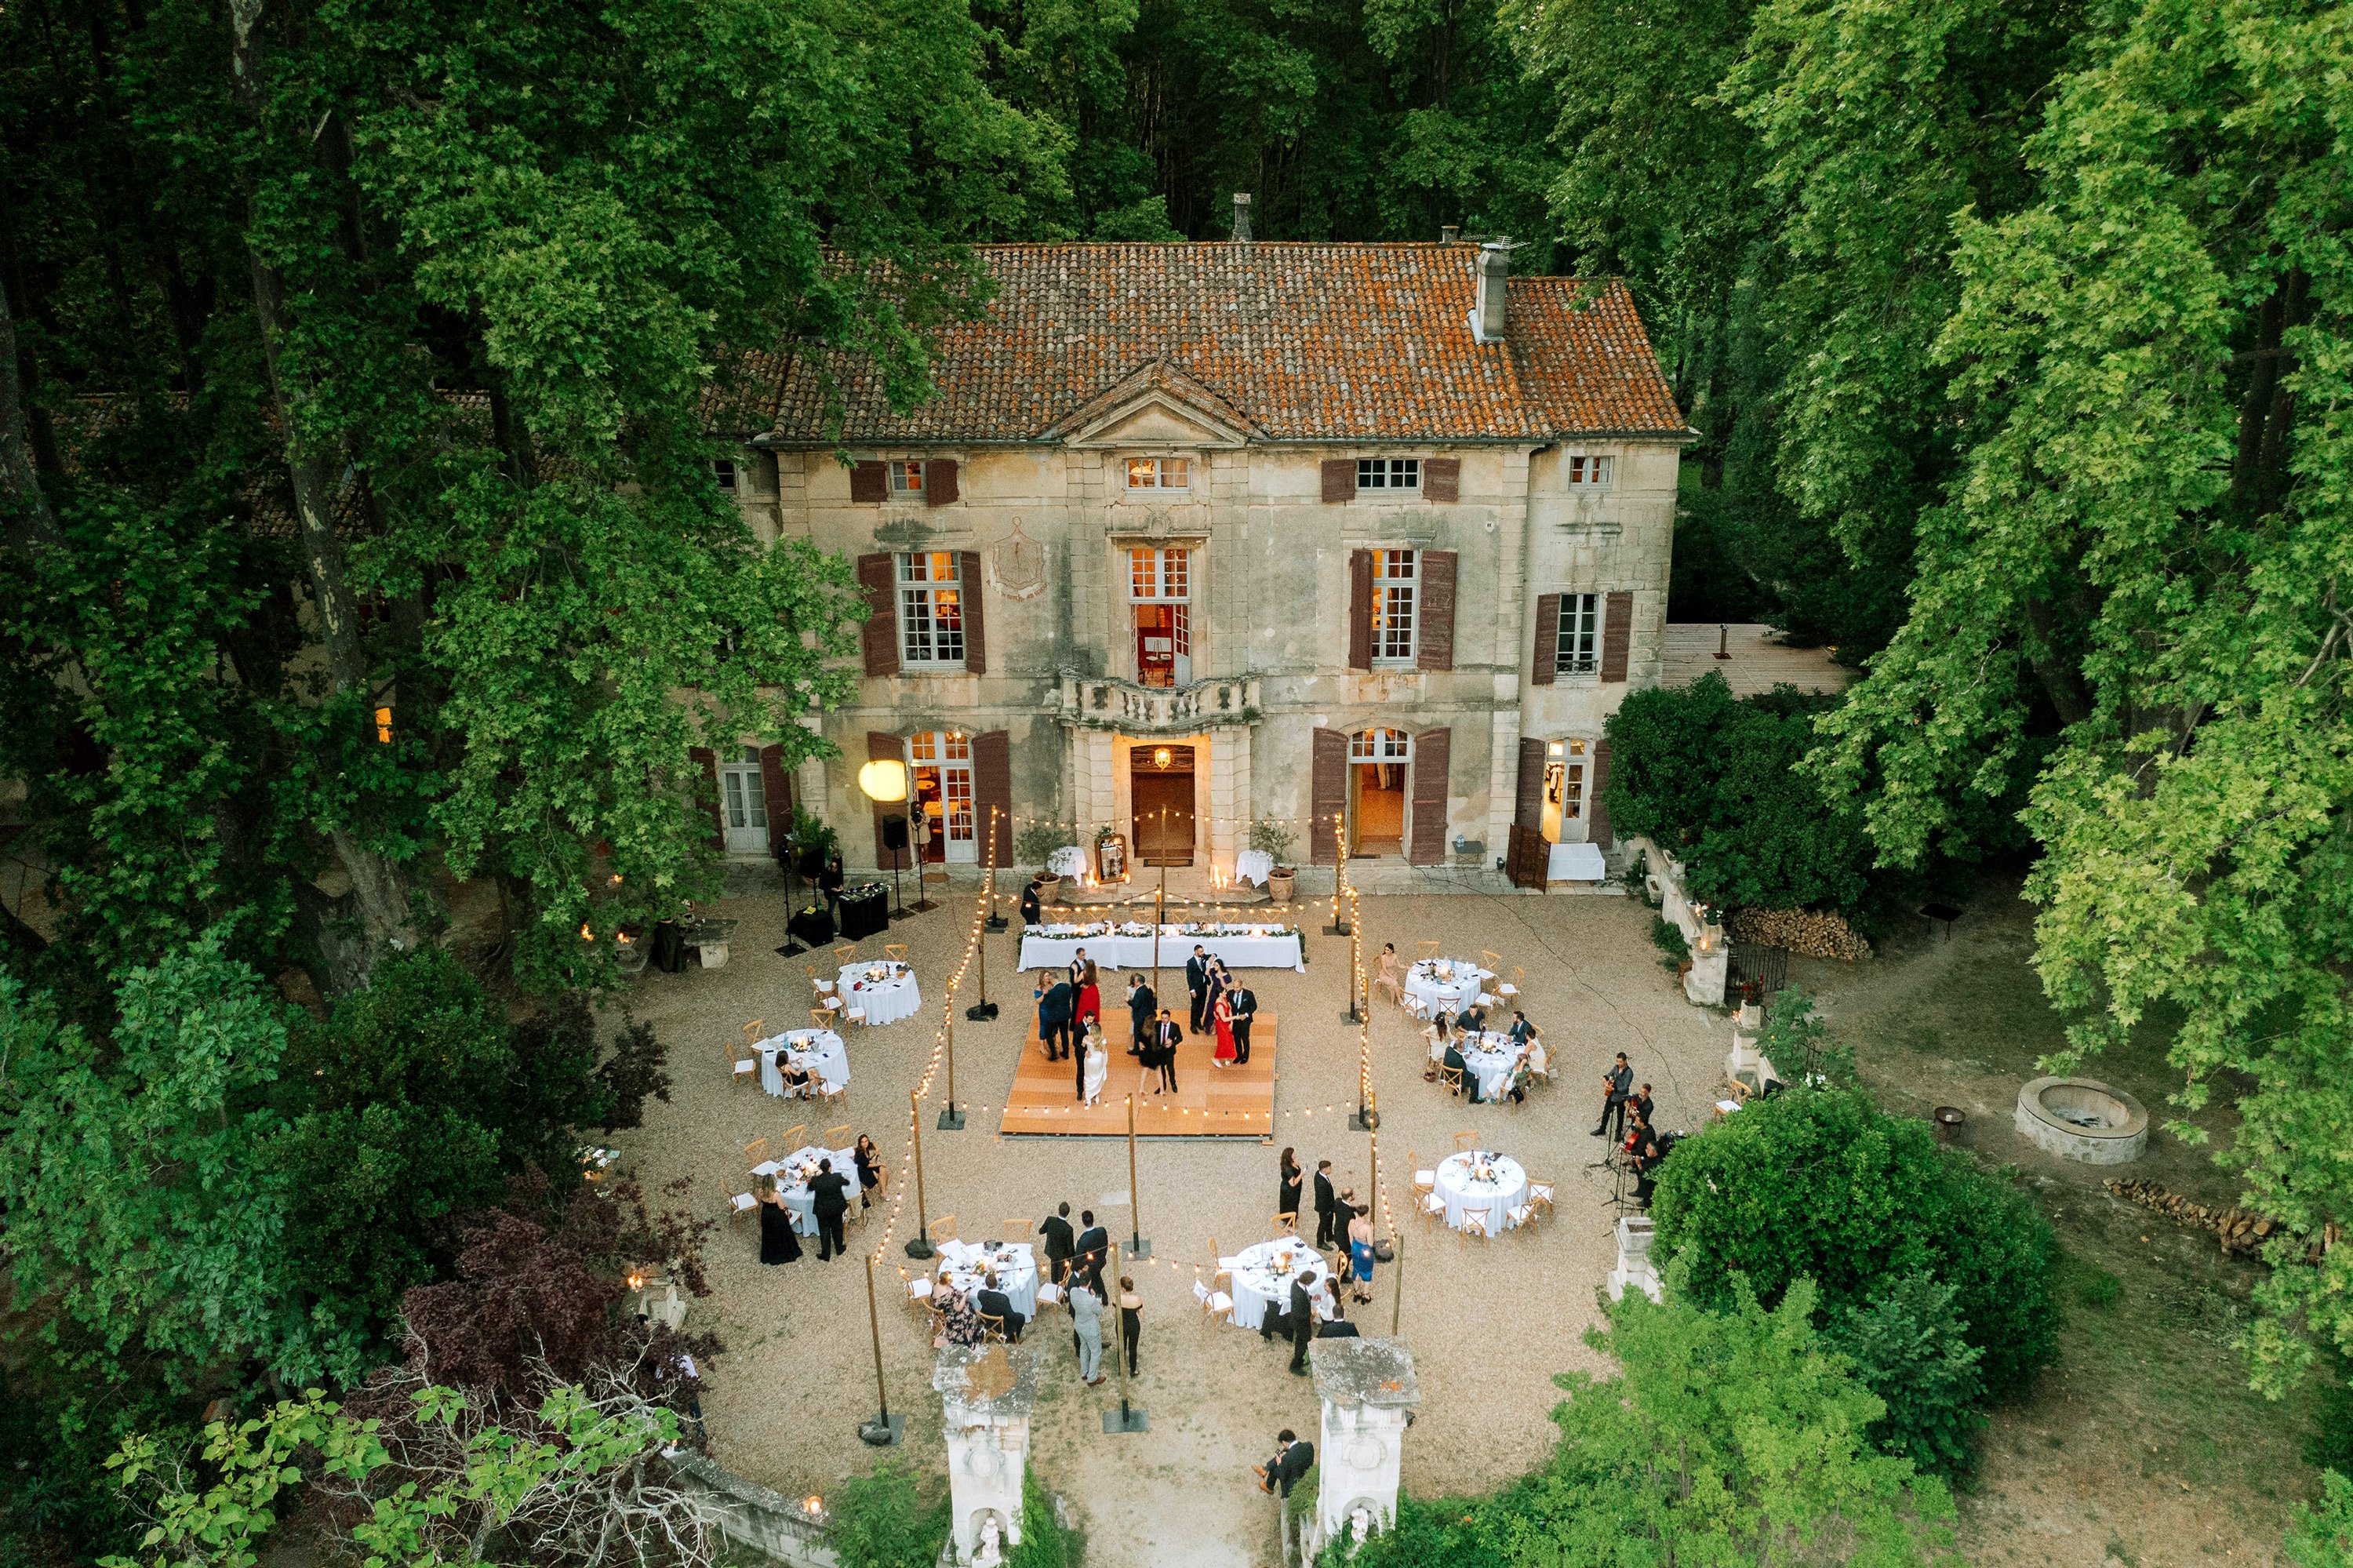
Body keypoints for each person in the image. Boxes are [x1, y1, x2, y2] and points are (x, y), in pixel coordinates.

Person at [809, 1158, 851, 1261]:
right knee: (837, 1228)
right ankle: (839, 1248)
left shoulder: (816, 1180)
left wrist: (814, 1176)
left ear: (821, 1169)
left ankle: (826, 1254)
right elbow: (847, 1182)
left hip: (822, 1210)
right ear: (830, 1168)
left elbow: (809, 1188)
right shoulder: (837, 1177)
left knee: (824, 1231)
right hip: (836, 1208)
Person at [755, 1177, 802, 1264]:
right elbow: (782, 1206)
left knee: (769, 1233)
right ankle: (783, 1252)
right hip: (776, 1215)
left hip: (766, 1214)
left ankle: (771, 1252)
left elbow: (760, 1200)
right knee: (781, 1232)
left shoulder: (760, 1191)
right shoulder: (775, 1194)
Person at [1069, 1278, 1106, 1384]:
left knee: (1084, 1347)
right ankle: (1092, 1378)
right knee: (1096, 1352)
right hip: (1090, 1330)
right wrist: (1094, 1297)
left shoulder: (1073, 1291)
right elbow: (1100, 1312)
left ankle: (1084, 1372)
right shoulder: (1091, 1300)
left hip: (1079, 1326)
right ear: (1089, 1282)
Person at [1256, 1431, 1314, 1497]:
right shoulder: (1309, 1445)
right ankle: (1265, 1470)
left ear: (1284, 1442)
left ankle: (1269, 1485)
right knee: (1283, 1452)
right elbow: (1296, 1453)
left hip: (1292, 1487)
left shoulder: (1287, 1458)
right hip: (1305, 1474)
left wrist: (1279, 1463)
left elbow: (1283, 1476)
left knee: (1275, 1468)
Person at [1036, 970, 1075, 1062]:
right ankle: (1065, 1053)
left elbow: (1049, 1004)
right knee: (1064, 1034)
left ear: (1052, 979)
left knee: (1048, 1033)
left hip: (1055, 1017)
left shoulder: (1053, 992)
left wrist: (1046, 996)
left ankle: (1054, 1054)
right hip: (1065, 1015)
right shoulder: (1067, 987)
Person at [975, 1273, 1026, 1342]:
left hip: (986, 1320)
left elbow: (983, 1292)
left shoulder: (981, 1294)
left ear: (986, 1285)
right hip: (999, 1325)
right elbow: (1010, 1316)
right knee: (1021, 1317)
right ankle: (1013, 1340)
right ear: (997, 1283)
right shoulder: (1003, 1299)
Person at [1595, 1051, 1634, 1139]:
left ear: (1625, 1061)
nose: (1619, 1063)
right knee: (1606, 1112)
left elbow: (1625, 1087)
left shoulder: (1629, 1072)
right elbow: (1610, 1074)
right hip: (1612, 1094)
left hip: (1621, 1097)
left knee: (1620, 1115)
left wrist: (1615, 1088)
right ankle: (1602, 1129)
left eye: (1620, 1062)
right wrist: (1605, 1078)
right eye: (1618, 1061)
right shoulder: (1616, 1068)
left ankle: (1618, 1132)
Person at [936, 1284, 985, 1348]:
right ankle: (972, 1337)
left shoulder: (938, 1288)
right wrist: (965, 1295)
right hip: (952, 1317)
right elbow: (958, 1309)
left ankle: (973, 1333)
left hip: (944, 1313)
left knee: (970, 1309)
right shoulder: (950, 1295)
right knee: (972, 1317)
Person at [1286, 1271, 1316, 1374]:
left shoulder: (1295, 1283)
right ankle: (1295, 1365)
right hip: (1301, 1323)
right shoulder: (1300, 1297)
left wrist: (1311, 1297)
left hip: (1299, 1321)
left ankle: (1301, 1358)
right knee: (1303, 1343)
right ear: (1308, 1282)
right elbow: (1299, 1315)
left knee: (1301, 1342)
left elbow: (1304, 1295)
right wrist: (1310, 1313)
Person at [1038, 1202, 1075, 1284]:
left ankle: (1054, 1286)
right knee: (1062, 1277)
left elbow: (1041, 1231)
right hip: (1063, 1257)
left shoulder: (1050, 1220)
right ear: (1068, 1214)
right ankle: (1060, 1291)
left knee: (1054, 1272)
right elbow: (1070, 1246)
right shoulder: (1068, 1229)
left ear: (1058, 1210)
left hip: (1052, 1252)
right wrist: (1073, 1257)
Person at [1075, 1210, 1110, 1293]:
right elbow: (1105, 1245)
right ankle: (1103, 1296)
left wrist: (1076, 1268)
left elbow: (1078, 1258)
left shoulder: (1083, 1240)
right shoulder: (1102, 1231)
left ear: (1083, 1222)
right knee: (1097, 1277)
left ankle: (1097, 1295)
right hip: (1101, 1261)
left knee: (1093, 1281)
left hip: (1089, 1266)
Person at [1347, 1206, 1376, 1304]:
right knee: (1367, 1271)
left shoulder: (1352, 1222)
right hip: (1365, 1250)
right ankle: (1365, 1294)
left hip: (1355, 1247)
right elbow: (1371, 1244)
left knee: (1356, 1269)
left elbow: (1350, 1236)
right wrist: (1372, 1229)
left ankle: (1356, 1292)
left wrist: (1354, 1247)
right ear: (1366, 1214)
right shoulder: (1367, 1227)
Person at [1117, 1275, 1143, 1375]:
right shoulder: (1137, 1299)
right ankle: (1133, 1370)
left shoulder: (1118, 1298)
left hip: (1121, 1324)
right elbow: (1142, 1314)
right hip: (1133, 1325)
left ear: (1123, 1288)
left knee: (1121, 1347)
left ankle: (1121, 1369)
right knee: (1133, 1348)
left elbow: (1115, 1314)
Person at [1152, 1008, 1182, 1095]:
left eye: (1165, 1018)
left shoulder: (1175, 1026)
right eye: (1162, 1018)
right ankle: (1163, 1085)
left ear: (1169, 1018)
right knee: (1161, 1069)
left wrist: (1172, 1043)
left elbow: (1180, 1038)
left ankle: (1173, 1083)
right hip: (1159, 1051)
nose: (1164, 1020)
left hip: (1169, 1051)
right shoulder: (1157, 1025)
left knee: (1170, 1069)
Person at [1126, 974, 1156, 1057]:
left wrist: (1128, 1001)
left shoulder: (1139, 992)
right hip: (1149, 1014)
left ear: (1138, 982)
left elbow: (1136, 1005)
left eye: (1136, 981)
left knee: (1137, 1033)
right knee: (1147, 1032)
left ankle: (1136, 1049)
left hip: (1140, 1016)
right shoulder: (1147, 989)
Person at [1228, 979, 1257, 1065]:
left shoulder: (1249, 994)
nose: (1235, 989)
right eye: (1234, 987)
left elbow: (1254, 1006)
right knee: (1236, 1038)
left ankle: (1245, 1056)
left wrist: (1246, 1015)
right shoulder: (1230, 993)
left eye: (1237, 987)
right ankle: (1239, 1055)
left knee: (1245, 1038)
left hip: (1245, 1021)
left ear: (1241, 986)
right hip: (1235, 1020)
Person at [1312, 1160, 1340, 1249]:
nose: (1331, 1169)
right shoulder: (1322, 1183)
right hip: (1324, 1207)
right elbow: (1324, 1198)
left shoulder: (1319, 1175)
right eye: (1329, 1168)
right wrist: (1328, 1209)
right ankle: (1320, 1242)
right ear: (1324, 1169)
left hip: (1328, 1206)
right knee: (1323, 1223)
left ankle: (1329, 1236)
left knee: (1329, 1221)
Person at [1184, 945, 1210, 1032]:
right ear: (1196, 952)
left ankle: (1198, 1021)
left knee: (1201, 1005)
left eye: (1203, 951)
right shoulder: (1190, 962)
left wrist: (1213, 955)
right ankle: (1193, 1024)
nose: (1202, 953)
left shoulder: (1203, 958)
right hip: (1195, 988)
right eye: (1201, 952)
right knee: (1195, 1006)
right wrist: (1192, 990)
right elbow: (1189, 977)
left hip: (1203, 986)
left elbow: (1212, 955)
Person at [1278, 1148, 1304, 1229]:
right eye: (1293, 1154)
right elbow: (1293, 1183)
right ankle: (1289, 1223)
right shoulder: (1287, 1169)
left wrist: (1297, 1166)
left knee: (1294, 1203)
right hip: (1290, 1191)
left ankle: (1291, 1218)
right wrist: (1301, 1175)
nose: (1295, 1155)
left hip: (1295, 1190)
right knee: (1290, 1205)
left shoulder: (1291, 1163)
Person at [854, 1134, 883, 1208]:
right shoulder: (860, 1154)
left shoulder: (867, 1146)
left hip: (868, 1164)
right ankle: (882, 1188)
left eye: (866, 1141)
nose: (865, 1143)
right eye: (863, 1142)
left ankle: (883, 1189)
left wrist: (877, 1149)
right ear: (860, 1143)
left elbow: (873, 1144)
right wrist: (880, 1163)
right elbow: (868, 1165)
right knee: (878, 1173)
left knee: (883, 1169)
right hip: (862, 1170)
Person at [1081, 1026, 1108, 1105]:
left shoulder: (1087, 1038)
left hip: (1089, 1060)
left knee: (1089, 1078)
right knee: (1098, 1079)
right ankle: (1096, 1097)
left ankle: (1088, 1099)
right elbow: (1103, 1052)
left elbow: (1082, 1046)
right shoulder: (1102, 1038)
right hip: (1098, 1060)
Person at [1442, 1035, 1475, 1102]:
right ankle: (1474, 1097)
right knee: (1474, 1079)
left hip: (1445, 1076)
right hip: (1455, 1080)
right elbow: (1466, 1073)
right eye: (1463, 1047)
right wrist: (1476, 1076)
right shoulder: (1460, 1060)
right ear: (1459, 1048)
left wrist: (1463, 1056)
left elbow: (1455, 1057)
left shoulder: (1448, 1049)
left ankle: (1457, 1090)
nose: (1465, 1048)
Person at [1212, 988, 1238, 1067]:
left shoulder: (1224, 999)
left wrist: (1231, 1023)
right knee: (1223, 1042)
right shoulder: (1219, 1005)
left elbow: (1229, 1010)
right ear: (1220, 994)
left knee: (1228, 1040)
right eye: (1224, 992)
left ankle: (1226, 1058)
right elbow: (1223, 1019)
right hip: (1222, 1025)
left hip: (1227, 1022)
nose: (1226, 993)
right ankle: (1216, 1058)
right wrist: (1235, 1018)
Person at [1373, 943, 1403, 1007]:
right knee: (1395, 984)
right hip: (1384, 975)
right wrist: (1391, 976)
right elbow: (1384, 969)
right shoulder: (1383, 957)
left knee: (1393, 986)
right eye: (1385, 950)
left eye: (1388, 950)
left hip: (1392, 974)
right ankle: (1399, 998)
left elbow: (1400, 966)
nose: (1386, 951)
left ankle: (1392, 1002)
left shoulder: (1395, 956)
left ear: (1392, 951)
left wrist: (1407, 967)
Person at [818, 852, 846, 921]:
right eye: (835, 869)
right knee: (831, 910)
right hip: (831, 894)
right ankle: (831, 926)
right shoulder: (824, 874)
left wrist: (841, 885)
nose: (836, 871)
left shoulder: (837, 871)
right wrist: (831, 889)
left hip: (839, 892)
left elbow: (840, 878)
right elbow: (821, 886)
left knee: (844, 907)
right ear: (831, 868)